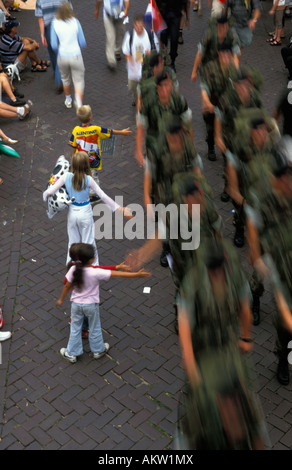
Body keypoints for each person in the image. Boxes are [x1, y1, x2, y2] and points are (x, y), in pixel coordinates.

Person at [177, 240, 266, 449]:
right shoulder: (194, 281)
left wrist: (245, 338)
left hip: (227, 346)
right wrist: (190, 362)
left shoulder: (234, 278)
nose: (216, 275)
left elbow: (245, 309)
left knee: (246, 396)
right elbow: (184, 321)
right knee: (197, 404)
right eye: (213, 271)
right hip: (204, 350)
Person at [57, 242, 150, 363]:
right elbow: (117, 275)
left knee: (75, 328)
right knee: (94, 327)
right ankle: (98, 350)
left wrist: (61, 299)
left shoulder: (73, 269)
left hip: (76, 305)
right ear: (91, 260)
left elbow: (66, 286)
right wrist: (136, 274)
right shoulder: (96, 273)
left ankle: (71, 353)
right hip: (91, 305)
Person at [245, 159, 292, 385]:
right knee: (259, 280)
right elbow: (253, 227)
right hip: (268, 248)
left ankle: (282, 356)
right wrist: (256, 256)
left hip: (288, 254)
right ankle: (255, 297)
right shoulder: (261, 195)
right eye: (284, 179)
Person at [43, 151, 132, 266]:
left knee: (72, 243)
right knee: (89, 243)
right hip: (85, 213)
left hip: (72, 214)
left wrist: (46, 197)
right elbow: (103, 196)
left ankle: (70, 272)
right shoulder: (89, 179)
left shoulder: (66, 177)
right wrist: (119, 208)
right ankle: (93, 268)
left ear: (73, 164)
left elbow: (49, 191)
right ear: (86, 165)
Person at [69, 104, 132, 201]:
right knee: (93, 177)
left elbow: (73, 145)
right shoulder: (96, 129)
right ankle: (91, 196)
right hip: (92, 160)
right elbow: (109, 131)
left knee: (83, 175)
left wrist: (73, 158)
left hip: (80, 160)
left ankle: (82, 190)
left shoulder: (76, 130)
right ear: (90, 117)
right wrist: (122, 132)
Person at [136, 70, 192, 167]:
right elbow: (141, 127)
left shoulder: (179, 101)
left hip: (175, 146)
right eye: (162, 86)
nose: (165, 90)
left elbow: (187, 127)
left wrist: (189, 148)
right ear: (157, 87)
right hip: (156, 148)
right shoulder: (148, 103)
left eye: (167, 85)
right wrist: (139, 152)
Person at [50, 2, 86, 109]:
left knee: (65, 79)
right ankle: (79, 104)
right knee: (78, 80)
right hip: (76, 55)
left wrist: (60, 49)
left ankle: (68, 99)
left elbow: (53, 44)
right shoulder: (76, 22)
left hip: (62, 56)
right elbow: (83, 42)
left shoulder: (54, 23)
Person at [190, 14, 240, 84]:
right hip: (209, 62)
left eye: (226, 26)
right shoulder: (209, 33)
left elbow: (235, 57)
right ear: (217, 26)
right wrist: (194, 71)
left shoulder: (232, 34)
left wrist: (237, 74)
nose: (224, 29)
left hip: (224, 64)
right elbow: (200, 53)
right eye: (222, 27)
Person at [122, 13, 159, 106]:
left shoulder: (150, 36)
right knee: (132, 87)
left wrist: (150, 57)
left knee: (143, 88)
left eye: (141, 27)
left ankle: (141, 100)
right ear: (134, 25)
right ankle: (136, 94)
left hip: (146, 68)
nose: (139, 29)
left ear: (144, 25)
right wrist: (129, 60)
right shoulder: (130, 36)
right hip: (133, 70)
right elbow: (126, 51)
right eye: (137, 27)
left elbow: (155, 51)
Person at [35, 0, 66, 92]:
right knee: (60, 52)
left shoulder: (40, 1)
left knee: (52, 52)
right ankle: (59, 76)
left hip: (49, 28)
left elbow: (40, 18)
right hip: (61, 26)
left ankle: (57, 75)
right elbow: (69, 10)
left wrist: (42, 34)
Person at [94, 0, 130, 71]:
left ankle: (117, 51)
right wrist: (97, 9)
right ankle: (111, 62)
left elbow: (127, 1)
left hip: (120, 15)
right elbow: (99, 1)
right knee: (110, 37)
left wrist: (126, 9)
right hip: (108, 16)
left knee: (121, 33)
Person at [156, 0, 187, 71]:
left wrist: (183, 8)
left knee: (174, 38)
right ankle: (164, 59)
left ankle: (172, 60)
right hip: (164, 14)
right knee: (163, 39)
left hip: (175, 14)